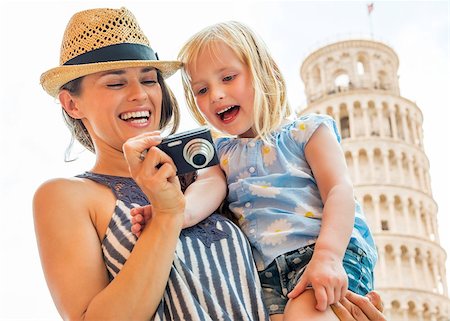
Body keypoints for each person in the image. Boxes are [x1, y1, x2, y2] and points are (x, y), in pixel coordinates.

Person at [34, 6, 385, 321]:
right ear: (71, 104)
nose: (140, 94)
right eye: (115, 83)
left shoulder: (210, 172)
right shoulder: (67, 196)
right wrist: (169, 214)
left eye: (149, 79)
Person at [173, 21, 378, 321]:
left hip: (324, 251)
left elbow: (339, 190)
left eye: (228, 77)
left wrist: (328, 256)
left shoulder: (307, 131)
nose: (215, 94)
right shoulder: (221, 153)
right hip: (267, 273)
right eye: (202, 89)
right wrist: (176, 213)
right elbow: (208, 188)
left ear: (265, 71)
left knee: (306, 314)